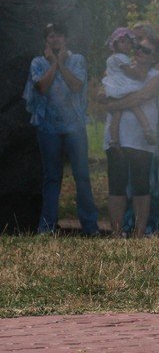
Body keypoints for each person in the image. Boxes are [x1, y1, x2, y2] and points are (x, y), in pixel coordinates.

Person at [22, 22, 100, 235]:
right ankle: (47, 227)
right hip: (48, 128)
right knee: (52, 177)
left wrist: (61, 63)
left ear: (66, 38)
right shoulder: (38, 62)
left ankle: (90, 227)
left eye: (58, 36)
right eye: (50, 36)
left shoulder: (77, 60)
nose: (55, 39)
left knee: (82, 176)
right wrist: (54, 63)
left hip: (74, 126)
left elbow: (76, 85)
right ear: (45, 41)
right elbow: (42, 88)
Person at [98, 35, 159, 237]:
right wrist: (108, 98)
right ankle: (117, 233)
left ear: (155, 57)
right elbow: (101, 94)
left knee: (141, 187)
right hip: (115, 135)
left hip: (140, 139)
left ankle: (138, 233)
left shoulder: (157, 76)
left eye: (146, 50)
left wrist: (115, 104)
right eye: (138, 47)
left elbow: (142, 96)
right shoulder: (119, 67)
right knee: (116, 185)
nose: (139, 51)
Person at [102, 27, 157, 150]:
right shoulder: (120, 58)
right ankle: (147, 129)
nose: (126, 45)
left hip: (113, 87)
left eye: (128, 42)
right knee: (135, 106)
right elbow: (129, 72)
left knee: (116, 115)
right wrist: (139, 76)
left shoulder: (112, 58)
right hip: (121, 86)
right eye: (122, 42)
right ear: (115, 44)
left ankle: (114, 140)